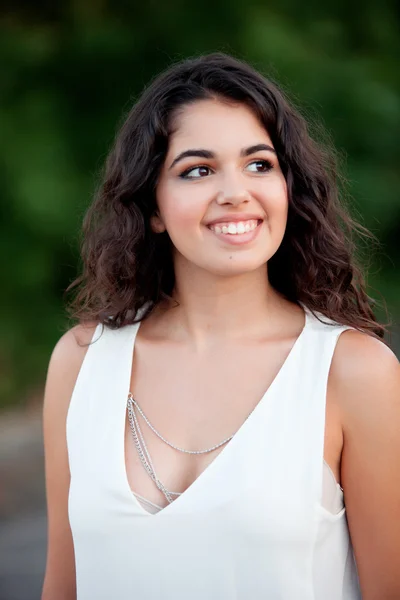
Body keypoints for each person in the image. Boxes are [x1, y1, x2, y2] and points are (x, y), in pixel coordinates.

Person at [41, 53, 400, 600]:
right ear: (153, 206)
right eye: (198, 170)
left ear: (288, 188)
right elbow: (62, 585)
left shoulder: (354, 372)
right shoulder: (80, 361)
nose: (235, 191)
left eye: (259, 164)